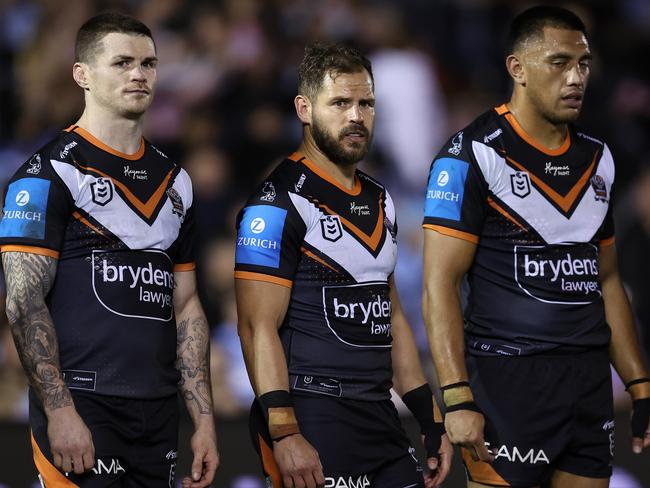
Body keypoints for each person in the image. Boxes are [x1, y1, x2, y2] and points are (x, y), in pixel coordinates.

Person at [422, 5, 650, 488]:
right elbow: (439, 283)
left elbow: (605, 280)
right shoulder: (471, 156)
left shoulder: (598, 159)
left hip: (588, 386)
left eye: (583, 64)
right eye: (559, 62)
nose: (575, 78)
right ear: (517, 69)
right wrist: (458, 397)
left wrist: (639, 383)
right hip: (507, 383)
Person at [0, 13, 219, 487]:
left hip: (158, 413)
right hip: (83, 406)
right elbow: (22, 301)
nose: (138, 74)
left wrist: (202, 421)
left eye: (148, 63)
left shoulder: (175, 181)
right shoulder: (47, 175)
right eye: (121, 62)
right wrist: (60, 412)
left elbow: (185, 303)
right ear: (82, 74)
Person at [235, 42, 451, 488]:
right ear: (304, 108)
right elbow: (256, 328)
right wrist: (285, 431)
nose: (357, 116)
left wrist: (431, 421)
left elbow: (388, 315)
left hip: (380, 415)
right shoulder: (276, 205)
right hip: (314, 418)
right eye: (340, 103)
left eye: (366, 103)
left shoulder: (382, 199)